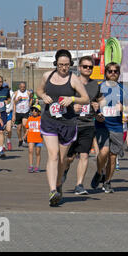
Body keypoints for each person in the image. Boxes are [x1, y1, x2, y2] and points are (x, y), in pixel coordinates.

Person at [36, 49, 89, 207]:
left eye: (66, 65)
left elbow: (86, 98)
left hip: (67, 122)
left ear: (71, 65)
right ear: (56, 64)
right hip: (49, 120)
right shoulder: (48, 76)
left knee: (61, 159)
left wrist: (72, 98)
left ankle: (58, 184)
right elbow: (39, 89)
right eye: (60, 65)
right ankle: (52, 190)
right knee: (53, 155)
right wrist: (43, 96)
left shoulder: (74, 80)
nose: (64, 68)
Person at [90, 62, 128, 194]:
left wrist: (123, 108)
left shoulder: (123, 89)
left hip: (117, 126)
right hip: (102, 124)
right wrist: (96, 114)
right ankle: (98, 172)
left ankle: (107, 181)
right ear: (106, 73)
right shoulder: (99, 87)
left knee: (113, 157)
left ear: (119, 74)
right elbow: (92, 104)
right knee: (103, 152)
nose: (113, 73)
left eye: (115, 71)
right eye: (110, 71)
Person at [64, 56, 101, 195]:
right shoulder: (71, 82)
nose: (88, 69)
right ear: (79, 68)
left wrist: (98, 105)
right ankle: (66, 168)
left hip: (88, 124)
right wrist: (72, 107)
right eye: (85, 66)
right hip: (72, 123)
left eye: (90, 67)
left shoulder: (95, 85)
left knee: (84, 155)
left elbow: (98, 99)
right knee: (69, 158)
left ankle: (79, 185)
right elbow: (62, 100)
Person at [13, 82, 32, 147]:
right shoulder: (16, 93)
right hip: (18, 112)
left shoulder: (28, 93)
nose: (23, 88)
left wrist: (30, 104)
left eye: (24, 87)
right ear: (19, 86)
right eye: (21, 87)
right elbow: (14, 103)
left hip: (25, 111)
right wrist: (17, 99)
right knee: (18, 128)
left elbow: (31, 98)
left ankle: (25, 137)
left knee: (24, 125)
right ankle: (20, 139)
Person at [25, 105, 43, 173]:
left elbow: (44, 128)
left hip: (39, 138)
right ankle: (30, 166)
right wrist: (25, 136)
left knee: (38, 152)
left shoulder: (41, 119)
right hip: (31, 137)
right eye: (32, 110)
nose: (34, 111)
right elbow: (27, 128)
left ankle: (37, 167)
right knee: (30, 151)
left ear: (39, 112)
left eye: (35, 110)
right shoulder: (30, 118)